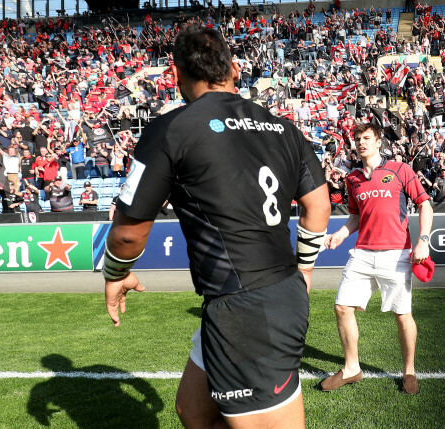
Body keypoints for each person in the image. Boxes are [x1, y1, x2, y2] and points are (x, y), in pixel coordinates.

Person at [102, 26, 330, 428]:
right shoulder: (284, 128)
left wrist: (116, 272)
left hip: (245, 306)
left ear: (174, 74)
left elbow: (127, 232)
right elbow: (318, 205)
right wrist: (306, 267)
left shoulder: (171, 129)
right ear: (234, 69)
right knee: (194, 410)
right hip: (260, 295)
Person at [320, 122, 433, 396]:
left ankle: (409, 371)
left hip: (396, 255)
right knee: (342, 307)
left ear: (378, 142)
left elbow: (424, 204)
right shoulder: (353, 178)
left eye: (367, 138)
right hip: (361, 254)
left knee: (402, 315)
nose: (361, 142)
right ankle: (351, 369)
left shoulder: (400, 169)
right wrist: (340, 234)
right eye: (357, 138)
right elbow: (356, 217)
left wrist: (424, 240)